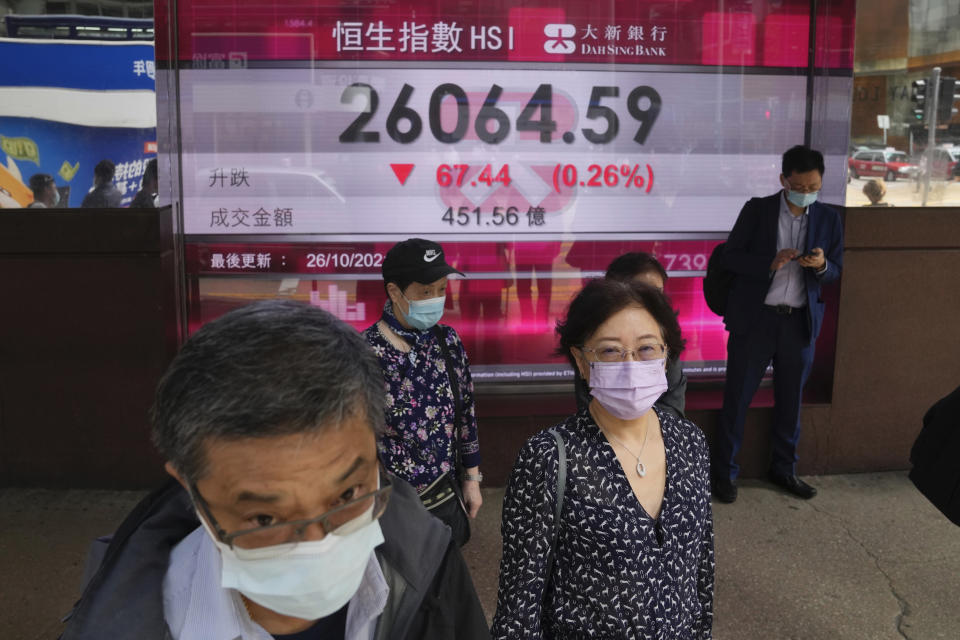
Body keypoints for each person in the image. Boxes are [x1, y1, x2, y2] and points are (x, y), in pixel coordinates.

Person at [59, 300, 490, 640]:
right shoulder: (126, 623)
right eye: (264, 518)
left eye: (347, 496)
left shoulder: (430, 564)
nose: (318, 546)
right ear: (190, 488)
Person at [492, 278, 714, 639]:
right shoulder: (549, 458)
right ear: (581, 361)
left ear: (667, 354)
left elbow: (700, 573)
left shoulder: (690, 443)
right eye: (611, 351)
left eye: (646, 349)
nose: (631, 365)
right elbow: (518, 607)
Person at [713, 145, 844, 503]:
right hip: (756, 321)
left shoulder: (828, 219)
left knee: (790, 402)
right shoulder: (757, 210)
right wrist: (768, 263)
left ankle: (783, 469)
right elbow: (731, 257)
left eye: (814, 185)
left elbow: (836, 271)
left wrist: (820, 266)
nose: (806, 192)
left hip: (798, 323)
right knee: (737, 398)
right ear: (783, 180)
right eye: (800, 185)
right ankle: (725, 474)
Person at [363, 238, 483, 547]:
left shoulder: (447, 341)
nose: (435, 299)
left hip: (444, 497)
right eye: (425, 291)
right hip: (389, 506)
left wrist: (472, 480)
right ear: (394, 291)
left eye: (441, 289)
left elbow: (466, 413)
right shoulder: (365, 352)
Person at [574, 251, 688, 418]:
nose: (652, 302)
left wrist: (646, 430)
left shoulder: (666, 333)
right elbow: (588, 408)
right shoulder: (592, 335)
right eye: (611, 351)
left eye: (658, 293)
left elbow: (674, 405)